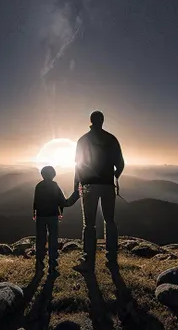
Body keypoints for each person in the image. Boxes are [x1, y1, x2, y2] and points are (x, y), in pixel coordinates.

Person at [72, 110, 124, 272]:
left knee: (89, 224)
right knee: (109, 220)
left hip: (89, 186)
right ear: (102, 121)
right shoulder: (111, 139)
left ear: (91, 121)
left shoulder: (83, 140)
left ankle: (88, 259)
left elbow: (78, 166)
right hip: (108, 185)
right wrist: (113, 176)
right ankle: (111, 257)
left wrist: (76, 188)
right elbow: (120, 164)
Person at [33, 165, 66, 275]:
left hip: (41, 216)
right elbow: (61, 200)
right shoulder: (54, 185)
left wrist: (35, 213)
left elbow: (35, 201)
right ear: (53, 174)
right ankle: (52, 264)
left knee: (40, 239)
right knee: (53, 239)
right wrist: (61, 212)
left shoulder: (39, 186)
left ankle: (39, 263)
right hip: (52, 215)